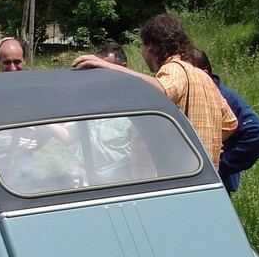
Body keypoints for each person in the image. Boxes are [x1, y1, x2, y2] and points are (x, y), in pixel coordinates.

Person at [72, 14, 237, 167]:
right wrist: (204, 141)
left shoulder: (175, 68)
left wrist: (109, 67)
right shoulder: (203, 76)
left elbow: (162, 90)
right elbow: (230, 125)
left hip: (184, 176)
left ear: (150, 46)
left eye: (142, 47)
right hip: (208, 176)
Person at [190, 48, 259, 194]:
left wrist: (221, 165)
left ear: (205, 74)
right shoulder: (191, 97)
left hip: (215, 187)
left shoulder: (224, 97)